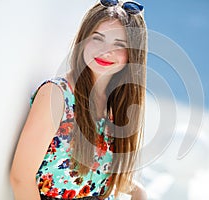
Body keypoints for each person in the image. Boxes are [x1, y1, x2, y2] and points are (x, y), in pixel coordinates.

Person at [10, 0, 148, 199]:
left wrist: (139, 192)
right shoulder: (57, 95)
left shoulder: (115, 104)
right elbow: (21, 178)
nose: (105, 51)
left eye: (119, 45)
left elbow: (100, 175)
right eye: (98, 39)